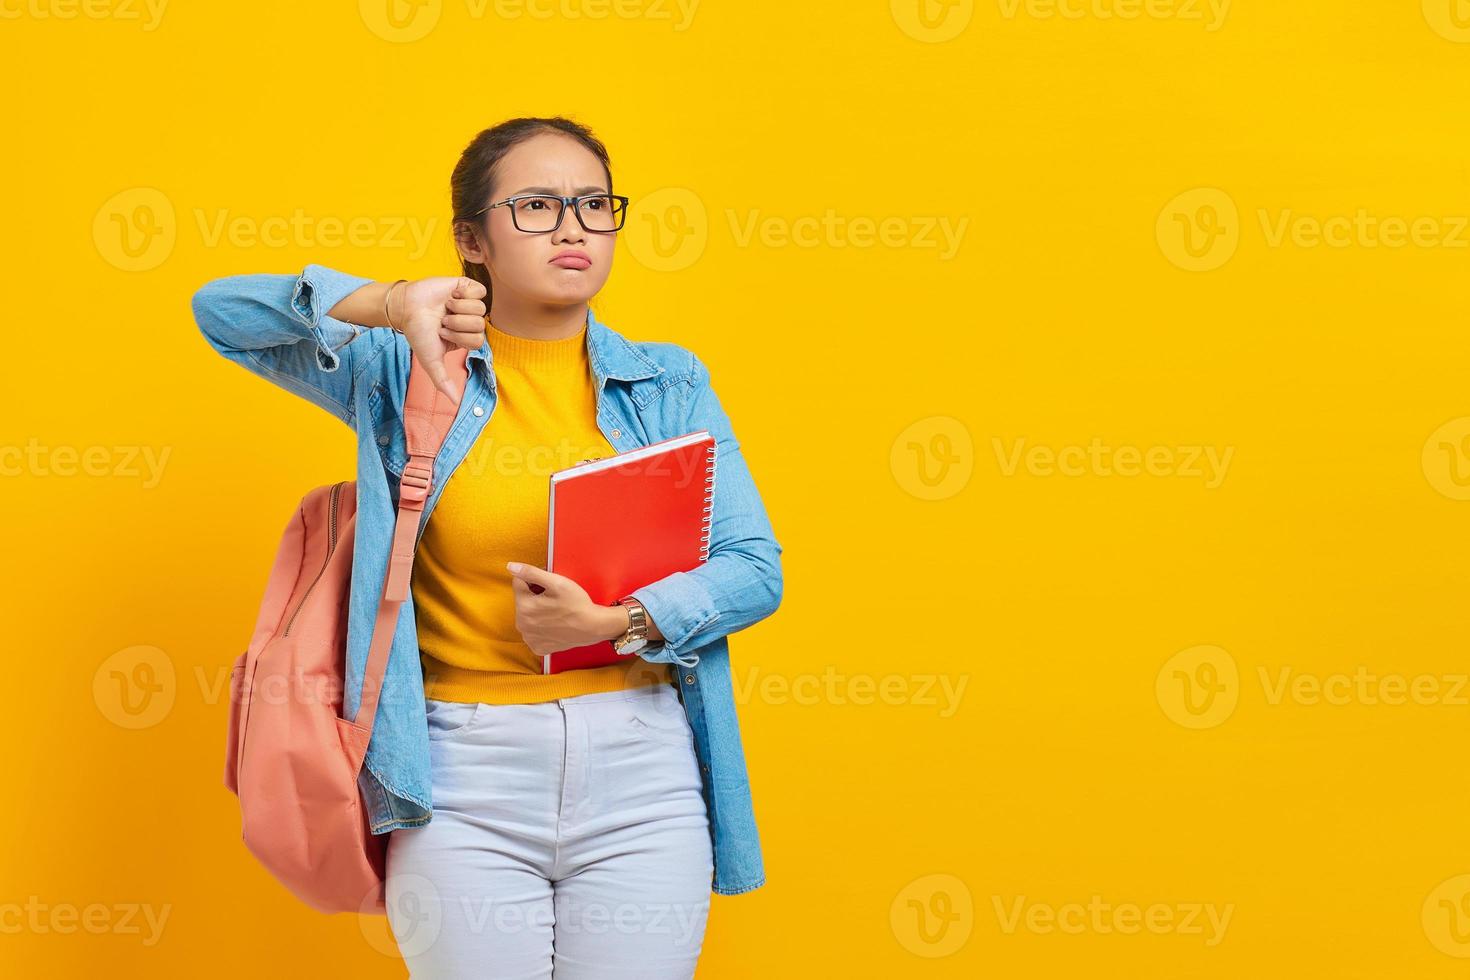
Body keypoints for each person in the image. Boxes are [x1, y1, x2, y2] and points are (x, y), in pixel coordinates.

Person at [192, 116, 783, 979]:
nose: (574, 225)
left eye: (593, 204)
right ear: (473, 240)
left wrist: (622, 619)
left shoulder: (670, 380)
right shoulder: (402, 367)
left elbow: (752, 567)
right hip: (459, 775)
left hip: (643, 772)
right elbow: (221, 313)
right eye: (537, 205)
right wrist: (390, 305)